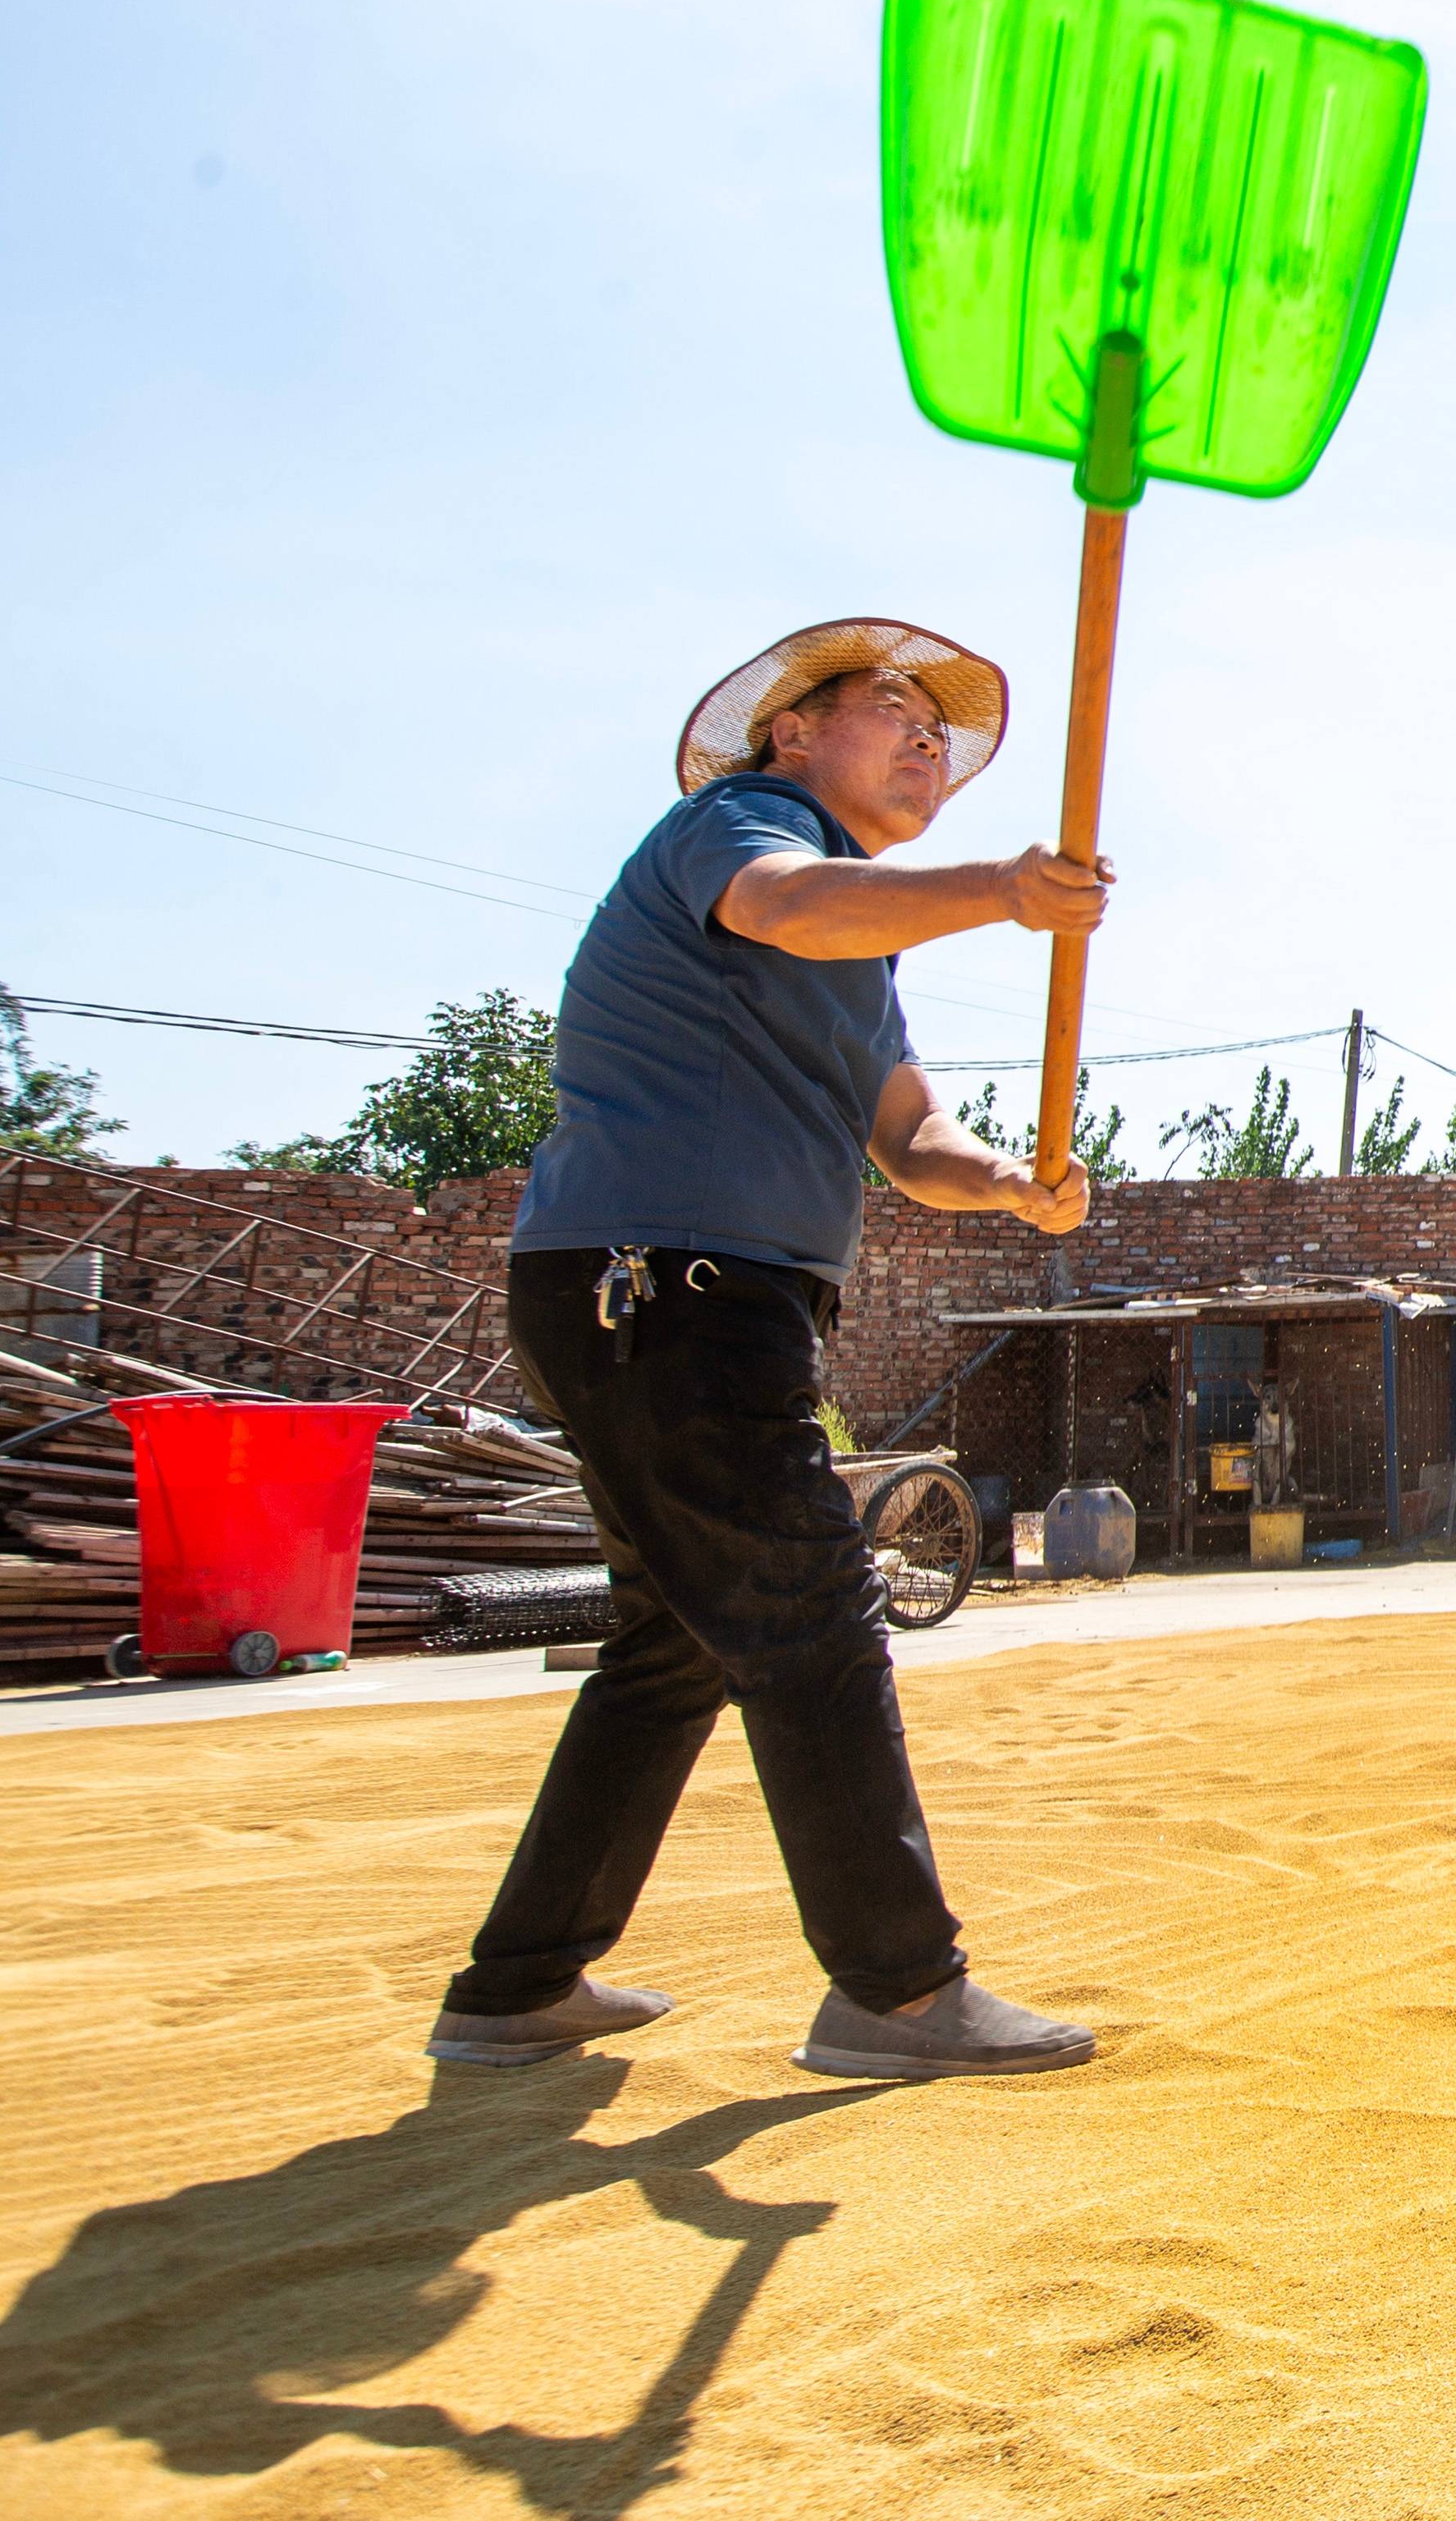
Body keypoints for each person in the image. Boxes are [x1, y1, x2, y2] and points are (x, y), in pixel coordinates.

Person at [428, 618, 1113, 2081]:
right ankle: (897, 1991)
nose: (928, 738)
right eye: (892, 709)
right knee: (808, 1611)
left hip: (671, 1296)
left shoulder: (860, 959)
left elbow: (911, 1137)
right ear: (790, 734)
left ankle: (516, 1989)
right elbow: (793, 905)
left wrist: (1006, 1181)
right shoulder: (747, 828)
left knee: (671, 1648)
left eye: (943, 731)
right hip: (664, 1288)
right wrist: (999, 892)